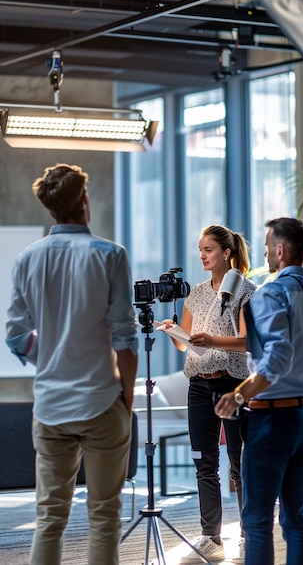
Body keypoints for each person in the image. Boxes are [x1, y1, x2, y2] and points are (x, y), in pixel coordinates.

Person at [5, 163, 139, 565]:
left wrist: (49, 355)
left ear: (51, 209)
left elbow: (15, 335)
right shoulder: (110, 255)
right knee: (104, 517)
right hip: (102, 401)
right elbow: (125, 338)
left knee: (49, 518)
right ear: (84, 200)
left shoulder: (28, 259)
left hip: (49, 406)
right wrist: (126, 398)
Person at [215, 217, 303, 565]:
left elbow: (278, 357)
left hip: (273, 419)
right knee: (297, 520)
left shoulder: (271, 292)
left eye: (269, 246)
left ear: (281, 251)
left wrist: (239, 393)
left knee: (256, 521)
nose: (266, 252)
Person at [162, 224, 256, 564]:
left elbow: (248, 341)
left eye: (209, 250)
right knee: (204, 463)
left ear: (226, 253)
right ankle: (210, 536)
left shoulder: (246, 291)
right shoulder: (196, 293)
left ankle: (249, 535)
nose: (202, 255)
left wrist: (211, 340)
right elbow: (184, 343)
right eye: (200, 250)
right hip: (198, 385)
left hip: (232, 383)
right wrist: (174, 331)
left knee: (239, 464)